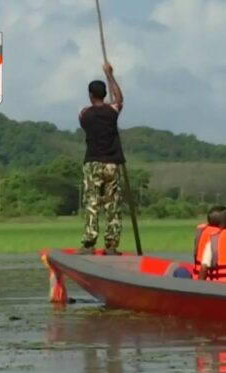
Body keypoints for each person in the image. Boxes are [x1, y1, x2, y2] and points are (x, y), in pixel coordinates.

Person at [78, 61, 125, 255]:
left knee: (92, 203)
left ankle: (89, 243)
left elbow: (112, 103)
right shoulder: (111, 112)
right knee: (112, 204)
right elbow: (119, 99)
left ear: (90, 95)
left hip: (93, 163)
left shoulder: (84, 114)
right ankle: (111, 245)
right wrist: (110, 75)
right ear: (105, 94)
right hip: (111, 163)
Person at [191, 205, 226, 278]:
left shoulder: (202, 231)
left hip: (197, 274)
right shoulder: (223, 235)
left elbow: (195, 254)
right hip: (213, 278)